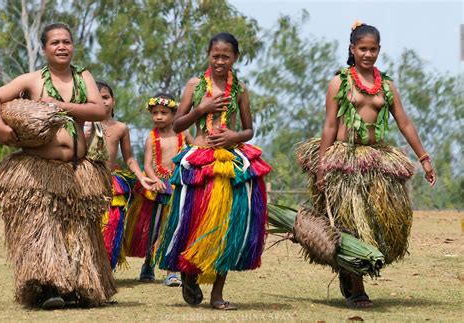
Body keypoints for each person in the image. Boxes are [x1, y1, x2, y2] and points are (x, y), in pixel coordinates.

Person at [295, 21, 437, 308]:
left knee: (377, 223)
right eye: (363, 49)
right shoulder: (340, 82)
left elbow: (405, 123)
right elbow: (330, 126)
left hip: (376, 161)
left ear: (379, 50)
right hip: (343, 162)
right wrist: (322, 165)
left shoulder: (386, 85)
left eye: (373, 49)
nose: (368, 54)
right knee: (351, 224)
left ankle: (349, 273)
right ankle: (357, 288)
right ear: (352, 49)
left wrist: (424, 158)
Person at [0, 23, 116, 309]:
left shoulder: (83, 78)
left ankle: (78, 287)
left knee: (77, 233)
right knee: (42, 232)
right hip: (38, 169)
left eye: (67, 42)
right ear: (45, 48)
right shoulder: (32, 80)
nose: (62, 46)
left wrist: (59, 105)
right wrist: (0, 127)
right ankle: (46, 288)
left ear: (73, 46)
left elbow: (100, 110)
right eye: (55, 42)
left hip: (76, 170)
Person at [155, 32, 271, 310]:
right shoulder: (195, 85)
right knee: (195, 223)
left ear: (236, 58)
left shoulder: (240, 89)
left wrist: (234, 137)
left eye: (226, 56)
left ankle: (217, 295)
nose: (220, 61)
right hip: (199, 163)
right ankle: (189, 273)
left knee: (227, 227)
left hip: (230, 164)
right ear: (208, 55)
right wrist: (201, 109)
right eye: (215, 56)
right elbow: (178, 125)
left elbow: (248, 129)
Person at [123, 93, 191, 287]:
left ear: (174, 113)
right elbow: (148, 165)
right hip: (157, 188)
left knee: (174, 227)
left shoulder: (183, 134)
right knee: (152, 229)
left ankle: (172, 270)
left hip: (179, 187)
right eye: (155, 113)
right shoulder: (151, 138)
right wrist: (155, 180)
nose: (159, 117)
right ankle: (148, 264)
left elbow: (195, 151)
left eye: (164, 112)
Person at [92, 81, 153, 270]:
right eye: (96, 98)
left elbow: (129, 158)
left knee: (111, 227)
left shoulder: (121, 128)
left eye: (105, 97)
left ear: (113, 101)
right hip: (86, 182)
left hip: (111, 184)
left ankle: (105, 271)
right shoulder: (83, 125)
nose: (102, 102)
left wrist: (141, 176)